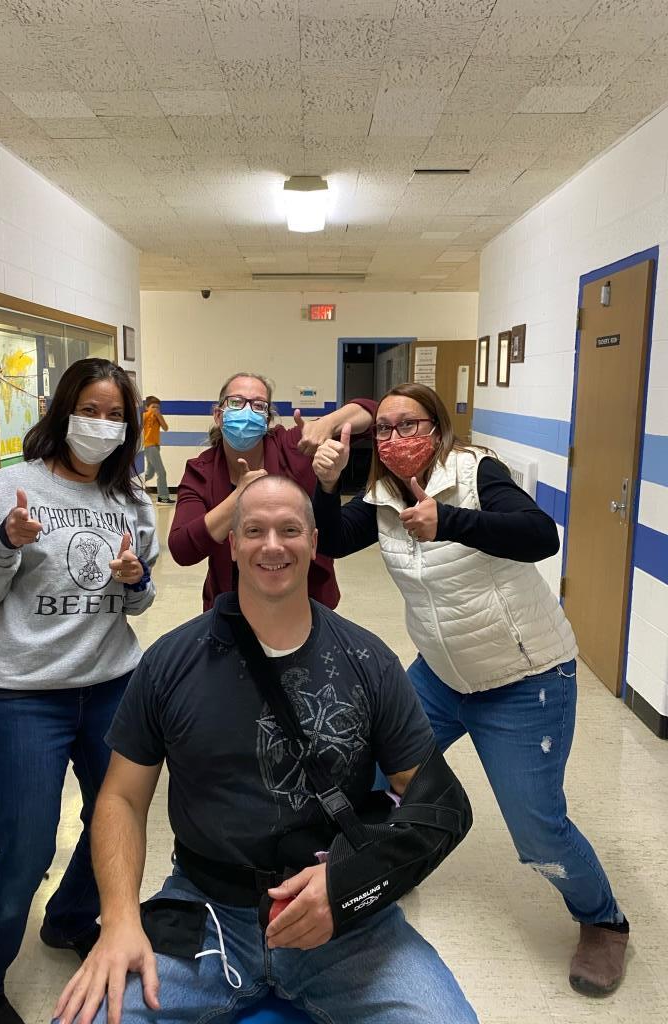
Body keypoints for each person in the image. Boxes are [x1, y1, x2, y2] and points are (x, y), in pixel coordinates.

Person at [52, 475, 478, 1024]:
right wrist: (118, 922)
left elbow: (436, 804)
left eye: (289, 530)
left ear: (314, 541)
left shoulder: (368, 661)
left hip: (337, 913)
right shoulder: (169, 663)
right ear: (232, 544)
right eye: (254, 531)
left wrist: (349, 886)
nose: (272, 545)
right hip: (205, 912)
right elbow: (122, 800)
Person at [311, 382, 629, 997]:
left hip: (524, 679)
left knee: (537, 828)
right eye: (386, 428)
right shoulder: (381, 497)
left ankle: (603, 921)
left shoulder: (475, 471)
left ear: (437, 427)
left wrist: (449, 520)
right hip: (440, 676)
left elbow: (540, 535)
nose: (396, 438)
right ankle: (381, 869)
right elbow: (333, 541)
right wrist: (325, 487)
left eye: (410, 424)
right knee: (368, 773)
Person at [0, 358, 159, 1024]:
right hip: (23, 696)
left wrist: (133, 580)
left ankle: (69, 919)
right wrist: (4, 540)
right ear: (64, 411)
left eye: (115, 415)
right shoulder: (11, 488)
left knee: (114, 820)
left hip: (111, 685)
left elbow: (139, 600)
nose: (101, 424)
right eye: (89, 410)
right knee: (27, 846)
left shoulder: (131, 499)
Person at [167, 371, 376, 610]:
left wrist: (327, 423)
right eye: (236, 402)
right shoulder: (201, 471)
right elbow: (182, 549)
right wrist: (239, 498)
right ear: (218, 415)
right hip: (231, 608)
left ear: (267, 420)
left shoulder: (294, 446)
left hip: (305, 603)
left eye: (258, 405)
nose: (246, 411)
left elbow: (374, 413)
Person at [142, 396, 173, 505]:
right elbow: (140, 423)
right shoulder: (145, 415)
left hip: (155, 446)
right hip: (149, 446)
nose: (155, 409)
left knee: (149, 474)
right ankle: (163, 497)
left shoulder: (159, 416)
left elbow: (165, 428)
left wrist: (159, 416)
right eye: (153, 407)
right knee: (162, 472)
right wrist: (150, 413)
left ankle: (131, 486)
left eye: (158, 407)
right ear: (147, 407)